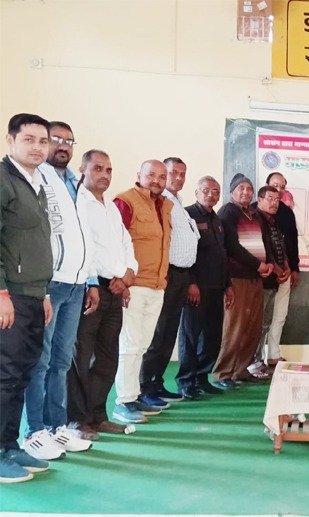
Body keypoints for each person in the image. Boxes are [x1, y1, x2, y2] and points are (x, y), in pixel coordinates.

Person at [22, 121, 96, 460]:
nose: (63, 145)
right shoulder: (38, 178)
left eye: (69, 141)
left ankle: (57, 427)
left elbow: (83, 236)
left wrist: (91, 280)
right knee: (41, 361)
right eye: (56, 139)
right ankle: (34, 432)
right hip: (50, 284)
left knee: (62, 362)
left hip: (77, 285)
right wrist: (43, 286)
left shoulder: (76, 183)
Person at [67, 150, 137, 436]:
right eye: (98, 168)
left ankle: (97, 415)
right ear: (82, 169)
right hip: (91, 288)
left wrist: (128, 275)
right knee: (81, 357)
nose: (105, 174)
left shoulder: (110, 206)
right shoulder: (78, 202)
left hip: (116, 289)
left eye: (109, 170)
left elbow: (126, 243)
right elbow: (86, 248)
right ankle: (77, 420)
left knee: (107, 357)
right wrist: (106, 279)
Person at [0, 113, 54, 482]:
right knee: (6, 375)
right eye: (29, 139)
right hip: (12, 295)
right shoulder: (4, 179)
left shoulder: (36, 182)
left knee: (19, 375)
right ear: (11, 140)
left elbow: (33, 243)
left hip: (33, 294)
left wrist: (44, 292)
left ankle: (9, 444)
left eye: (42, 141)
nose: (37, 147)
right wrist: (2, 292)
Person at [112, 160, 173, 424]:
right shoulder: (125, 201)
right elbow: (115, 241)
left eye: (162, 176)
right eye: (151, 175)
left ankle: (133, 395)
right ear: (139, 175)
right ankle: (123, 402)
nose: (157, 180)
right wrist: (121, 280)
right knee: (129, 345)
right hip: (133, 286)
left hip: (156, 286)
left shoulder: (165, 206)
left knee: (142, 345)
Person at [139, 157, 199, 408]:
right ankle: (144, 387)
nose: (179, 178)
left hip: (181, 276)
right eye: (173, 173)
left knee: (169, 334)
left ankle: (157, 383)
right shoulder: (158, 201)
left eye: (183, 174)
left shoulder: (177, 202)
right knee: (158, 333)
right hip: (166, 274)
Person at [176, 176, 233, 399]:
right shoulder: (188, 215)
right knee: (190, 336)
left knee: (212, 337)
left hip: (216, 287)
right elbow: (184, 251)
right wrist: (190, 282)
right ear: (197, 192)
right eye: (207, 190)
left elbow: (223, 255)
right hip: (196, 288)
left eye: (216, 191)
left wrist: (228, 285)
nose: (211, 194)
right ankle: (186, 381)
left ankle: (202, 377)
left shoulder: (217, 220)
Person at [214, 174, 273, 386]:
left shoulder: (253, 214)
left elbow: (264, 241)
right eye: (241, 188)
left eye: (249, 189)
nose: (246, 192)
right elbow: (232, 246)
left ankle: (241, 370)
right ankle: (223, 373)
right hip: (237, 278)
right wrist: (258, 265)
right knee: (235, 327)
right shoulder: (228, 211)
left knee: (252, 327)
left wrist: (269, 264)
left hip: (256, 278)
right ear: (232, 191)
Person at [249, 186, 290, 375]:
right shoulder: (255, 219)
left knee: (265, 324)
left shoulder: (272, 221)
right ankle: (252, 362)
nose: (274, 203)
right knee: (256, 325)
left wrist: (286, 265)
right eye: (270, 198)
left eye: (277, 199)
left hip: (274, 281)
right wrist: (278, 269)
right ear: (259, 200)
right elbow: (264, 250)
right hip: (262, 280)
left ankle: (259, 360)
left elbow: (279, 247)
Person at [264, 173, 300, 368]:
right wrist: (275, 269)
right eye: (274, 186)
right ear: (266, 186)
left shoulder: (287, 213)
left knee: (280, 315)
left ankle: (273, 355)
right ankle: (255, 359)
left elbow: (292, 243)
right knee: (261, 319)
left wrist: (294, 268)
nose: (278, 190)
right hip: (264, 275)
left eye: (282, 187)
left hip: (285, 272)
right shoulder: (254, 212)